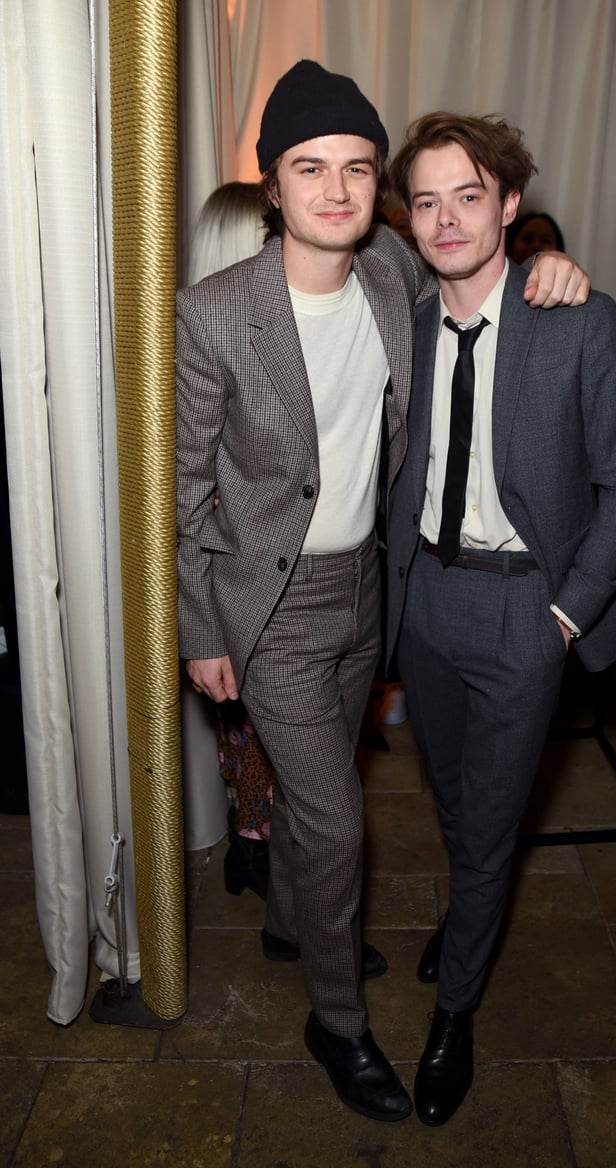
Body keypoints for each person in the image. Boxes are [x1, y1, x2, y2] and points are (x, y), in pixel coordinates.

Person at [177, 59, 589, 1124]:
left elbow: (485, 275)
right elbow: (176, 493)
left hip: (371, 590)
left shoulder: (388, 276)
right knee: (340, 820)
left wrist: (554, 268)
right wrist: (202, 625)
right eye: (309, 169)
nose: (336, 190)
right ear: (271, 185)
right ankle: (337, 1023)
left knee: (324, 814)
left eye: (359, 168)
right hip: (269, 607)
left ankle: (288, 921)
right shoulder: (216, 315)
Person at [386, 111, 616, 1126]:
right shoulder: (406, 323)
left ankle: (456, 1011)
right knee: (452, 801)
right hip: (428, 602)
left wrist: (564, 617)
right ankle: (466, 918)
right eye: (426, 200)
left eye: (468, 195)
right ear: (407, 221)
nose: (448, 218)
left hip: (525, 611)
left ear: (507, 204)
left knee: (492, 827)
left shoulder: (579, 320)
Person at [187, 181, 275, 903]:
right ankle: (260, 852)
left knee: (243, 725)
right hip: (243, 575)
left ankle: (251, 846)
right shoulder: (215, 335)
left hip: (220, 579)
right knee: (264, 726)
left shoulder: (192, 331)